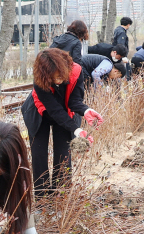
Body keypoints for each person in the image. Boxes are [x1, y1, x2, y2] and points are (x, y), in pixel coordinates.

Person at [21, 48, 101, 197]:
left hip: (65, 113)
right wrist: (77, 130)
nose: (57, 81)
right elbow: (53, 109)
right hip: (40, 112)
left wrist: (85, 111)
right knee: (39, 155)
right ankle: (43, 199)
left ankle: (61, 196)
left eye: (59, 76)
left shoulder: (76, 71)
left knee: (63, 155)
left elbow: (74, 100)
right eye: (53, 78)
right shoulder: (40, 76)